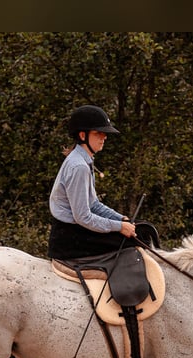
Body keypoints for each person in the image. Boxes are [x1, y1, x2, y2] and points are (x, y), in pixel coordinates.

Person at [47, 105, 139, 260]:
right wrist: (119, 227)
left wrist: (120, 218)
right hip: (70, 238)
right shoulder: (79, 167)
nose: (104, 137)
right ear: (83, 135)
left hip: (75, 231)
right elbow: (83, 217)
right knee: (129, 245)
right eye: (98, 133)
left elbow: (94, 204)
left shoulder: (84, 161)